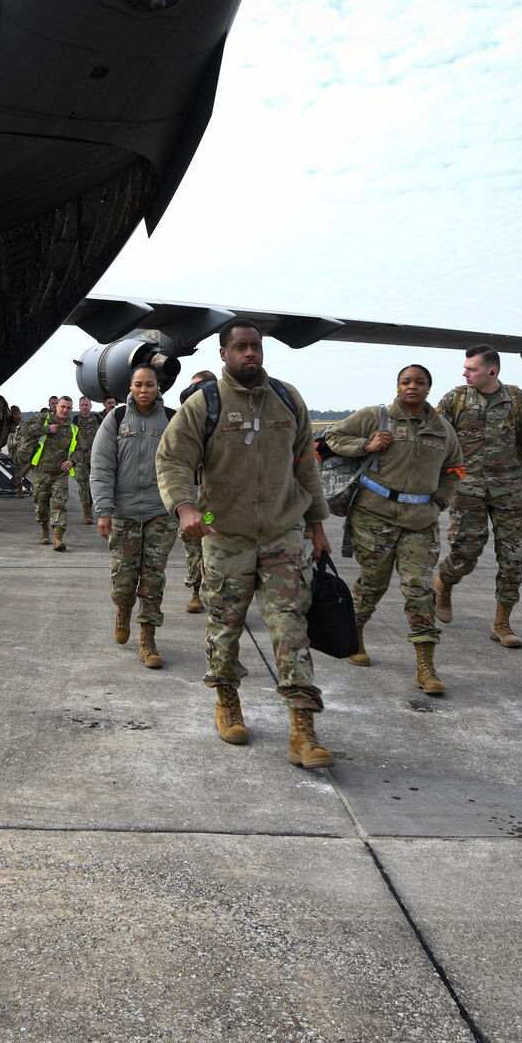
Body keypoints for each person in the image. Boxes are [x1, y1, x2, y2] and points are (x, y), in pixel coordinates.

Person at [154, 321, 335, 769]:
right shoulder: (205, 403)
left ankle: (302, 729)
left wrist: (317, 525)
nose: (250, 354)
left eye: (255, 346)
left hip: (282, 533)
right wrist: (185, 507)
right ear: (223, 354)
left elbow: (305, 465)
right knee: (225, 624)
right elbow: (173, 458)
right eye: (241, 347)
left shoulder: (288, 399)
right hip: (224, 533)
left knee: (291, 627)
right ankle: (227, 700)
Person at [323, 364, 463, 699]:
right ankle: (354, 636)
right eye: (406, 381)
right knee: (373, 583)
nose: (412, 386)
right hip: (374, 515)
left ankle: (425, 666)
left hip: (420, 520)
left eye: (419, 382)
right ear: (398, 386)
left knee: (419, 588)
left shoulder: (442, 429)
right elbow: (333, 437)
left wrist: (440, 502)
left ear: (429, 388)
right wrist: (367, 446)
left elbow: (454, 469)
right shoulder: (375, 416)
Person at [434, 344, 522, 649]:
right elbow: (435, 440)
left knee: (513, 555)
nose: (465, 373)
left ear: (492, 371)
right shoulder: (454, 400)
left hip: (509, 490)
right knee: (466, 553)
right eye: (465, 368)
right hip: (467, 490)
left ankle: (502, 623)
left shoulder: (517, 400)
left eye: (471, 368)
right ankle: (444, 583)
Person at [92, 366, 175, 668]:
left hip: (160, 511)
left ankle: (148, 640)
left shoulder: (171, 420)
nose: (144, 390)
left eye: (149, 385)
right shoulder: (115, 420)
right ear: (130, 387)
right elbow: (101, 467)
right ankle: (123, 609)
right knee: (125, 578)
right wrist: (103, 511)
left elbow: (188, 464)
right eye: (138, 384)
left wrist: (186, 504)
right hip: (124, 513)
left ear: (158, 387)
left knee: (153, 579)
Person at [174, 370, 218, 614]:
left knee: (214, 545)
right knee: (192, 545)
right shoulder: (185, 422)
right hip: (191, 500)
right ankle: (195, 591)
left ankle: (220, 596)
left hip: (217, 505)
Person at [27, 396, 79, 551]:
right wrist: (47, 429)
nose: (65, 410)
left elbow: (81, 450)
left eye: (68, 408)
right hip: (41, 473)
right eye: (62, 406)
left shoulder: (73, 429)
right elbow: (25, 429)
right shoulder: (44, 420)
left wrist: (72, 462)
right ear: (56, 407)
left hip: (60, 474)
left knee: (59, 505)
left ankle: (58, 538)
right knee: (41, 506)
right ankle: (44, 530)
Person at [73, 397, 101, 524]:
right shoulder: (74, 420)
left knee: (98, 485)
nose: (84, 407)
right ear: (79, 407)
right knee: (83, 486)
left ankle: (101, 511)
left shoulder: (98, 419)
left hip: (97, 458)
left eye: (86, 405)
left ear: (91, 406)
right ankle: (87, 513)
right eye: (82, 405)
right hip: (81, 459)